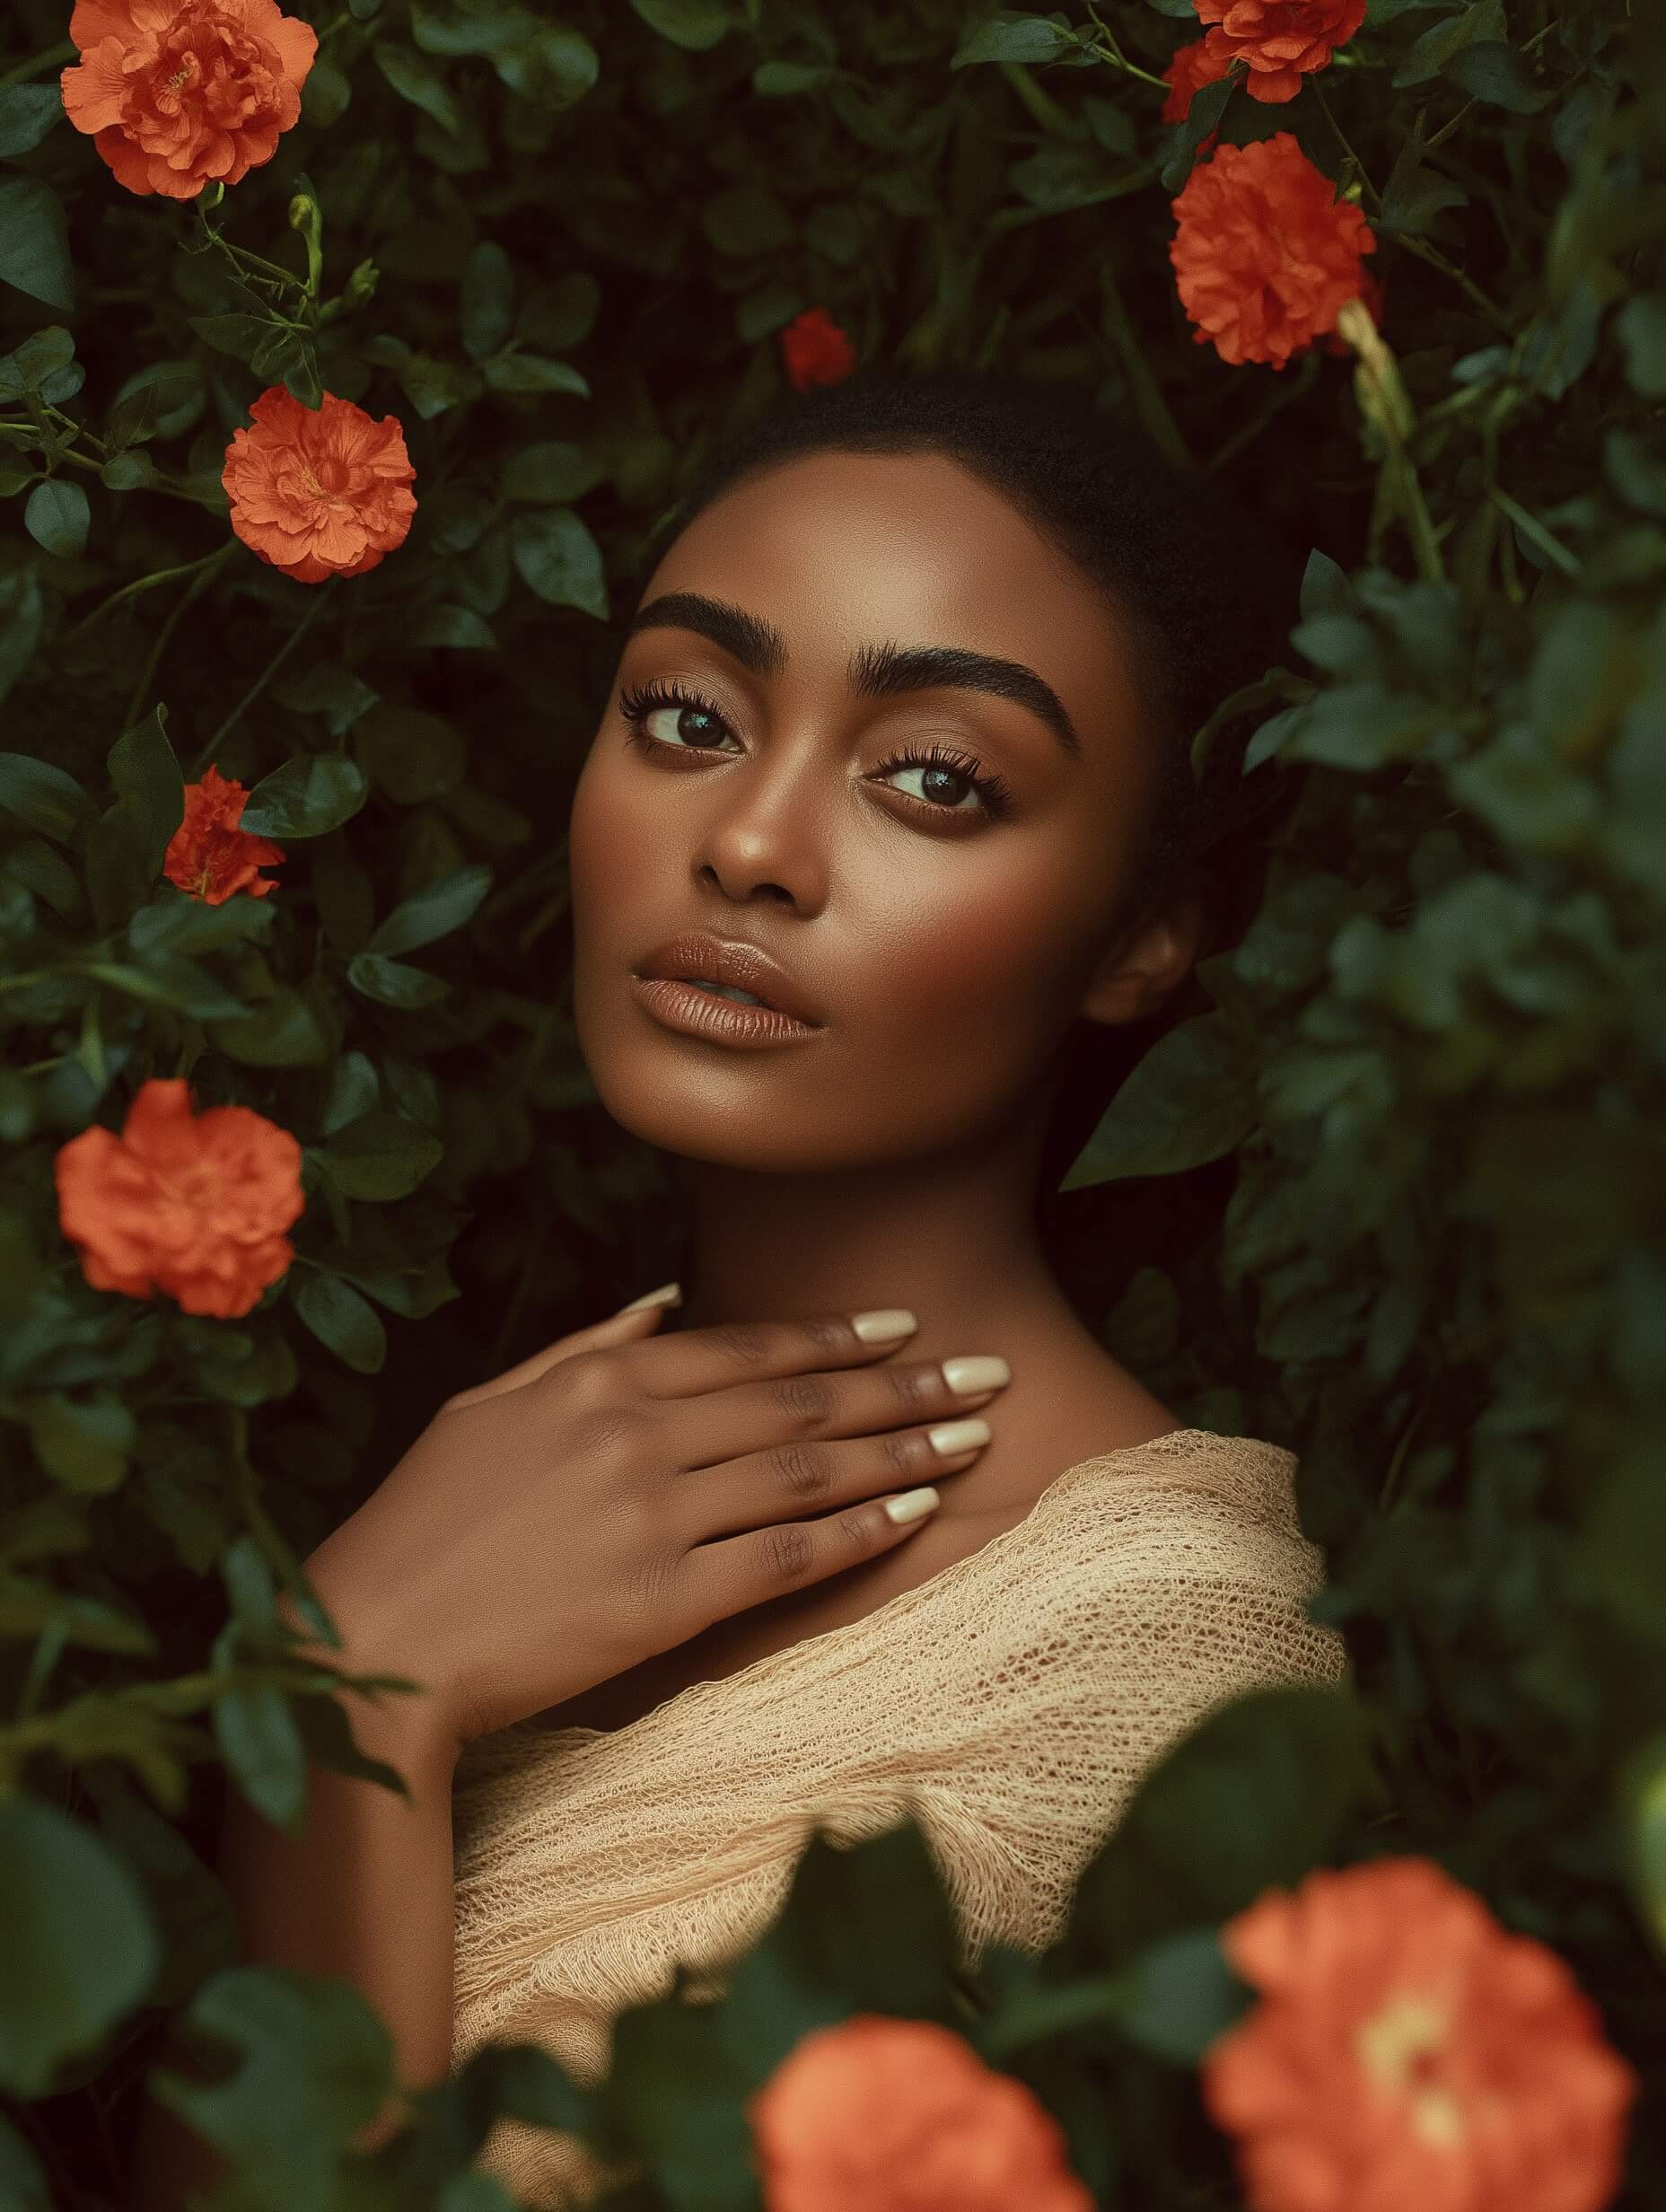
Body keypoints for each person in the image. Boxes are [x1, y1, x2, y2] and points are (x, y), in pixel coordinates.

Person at [135, 369, 1348, 2208]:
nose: (752, 843)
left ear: (1141, 933)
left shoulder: (1180, 1682)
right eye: (688, 714)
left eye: (932, 776)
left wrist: (347, 1700)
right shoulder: (490, 1479)